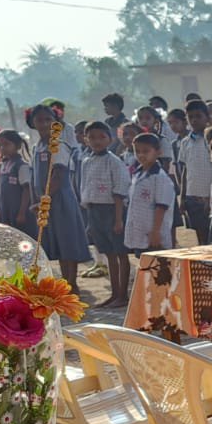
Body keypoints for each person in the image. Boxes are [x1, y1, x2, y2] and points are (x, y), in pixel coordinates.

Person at [29, 104, 93, 288]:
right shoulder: (38, 146)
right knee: (57, 241)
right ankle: (65, 282)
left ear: (56, 122)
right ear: (32, 122)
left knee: (67, 240)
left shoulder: (58, 145)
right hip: (46, 200)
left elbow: (58, 175)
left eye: (48, 120)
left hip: (60, 199)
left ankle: (72, 283)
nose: (44, 124)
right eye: (39, 120)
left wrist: (44, 198)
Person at [80, 122, 131, 309]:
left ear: (110, 139)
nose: (97, 141)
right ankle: (114, 293)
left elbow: (119, 191)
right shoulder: (87, 161)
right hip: (95, 211)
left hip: (112, 210)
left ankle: (123, 294)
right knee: (109, 254)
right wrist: (89, 219)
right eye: (92, 137)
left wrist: (118, 219)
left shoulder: (114, 161)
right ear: (86, 140)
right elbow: (85, 188)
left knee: (121, 253)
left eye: (101, 137)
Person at [124, 133, 176, 254]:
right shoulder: (137, 174)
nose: (141, 155)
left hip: (154, 234)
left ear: (158, 152)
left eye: (146, 151)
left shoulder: (160, 177)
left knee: (157, 263)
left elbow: (161, 207)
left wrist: (155, 232)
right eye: (137, 151)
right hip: (139, 231)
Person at [177, 98, 212, 244]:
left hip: (210, 196)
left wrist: (211, 197)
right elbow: (185, 170)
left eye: (198, 116)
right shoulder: (185, 142)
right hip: (192, 196)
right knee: (200, 236)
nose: (194, 120)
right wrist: (182, 197)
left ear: (207, 117)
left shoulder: (211, 140)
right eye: (190, 117)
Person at [0, 129, 35, 236]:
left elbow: (26, 190)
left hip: (18, 211)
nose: (3, 148)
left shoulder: (21, 166)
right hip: (6, 211)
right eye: (0, 145)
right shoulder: (1, 166)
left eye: (6, 144)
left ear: (17, 146)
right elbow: (1, 192)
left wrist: (22, 212)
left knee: (23, 237)